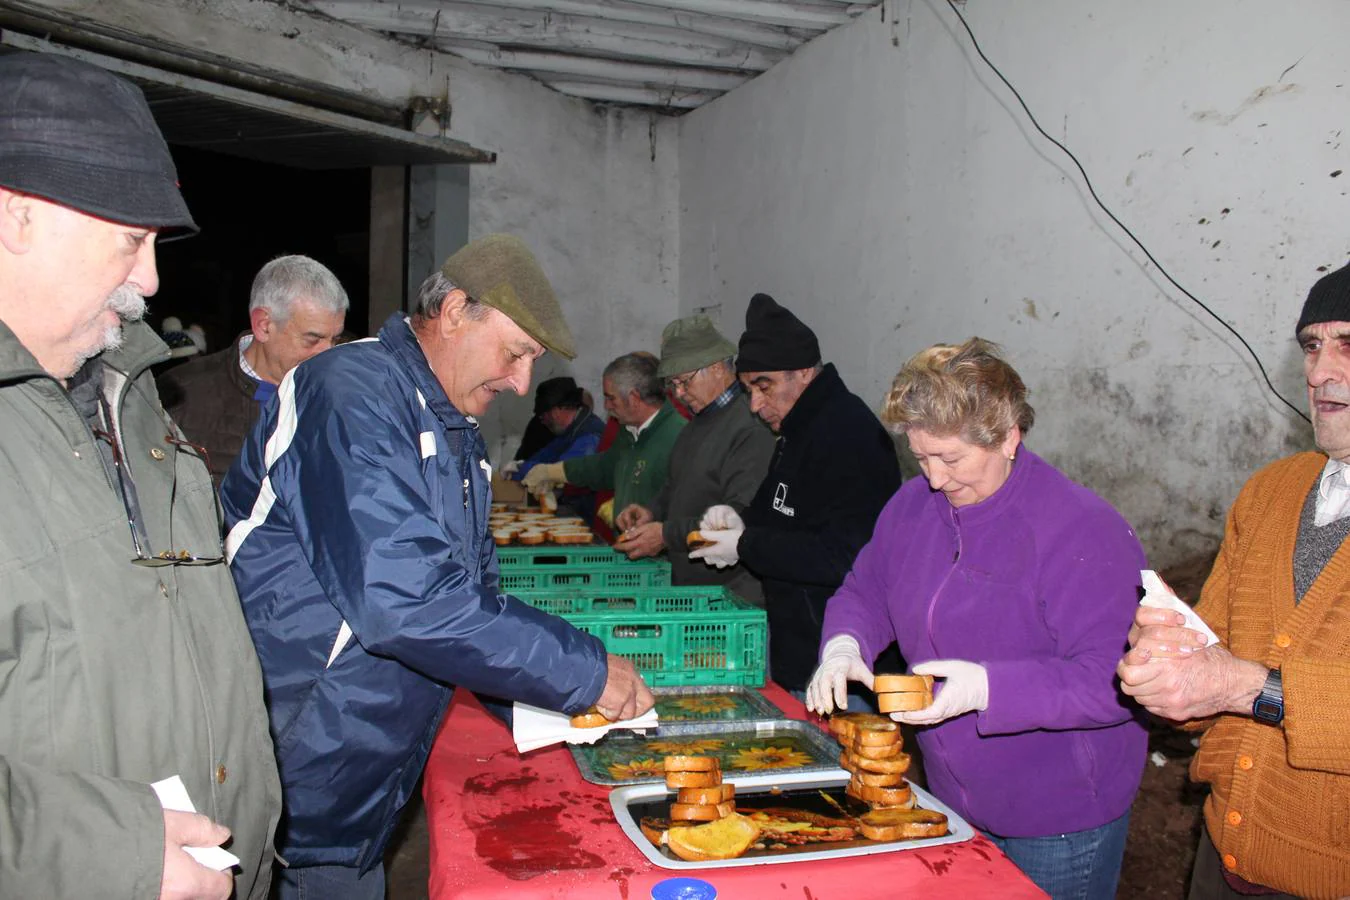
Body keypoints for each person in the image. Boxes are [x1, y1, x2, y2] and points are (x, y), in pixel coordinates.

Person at [220, 233, 654, 899]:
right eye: (516, 354)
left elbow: (472, 597)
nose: (520, 383)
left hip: (359, 767)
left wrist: (563, 713)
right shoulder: (350, 394)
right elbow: (406, 603)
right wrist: (582, 671)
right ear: (455, 312)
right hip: (295, 765)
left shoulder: (451, 428)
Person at [0, 54, 280, 900]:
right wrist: (101, 855)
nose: (151, 280)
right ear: (17, 217)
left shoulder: (135, 399)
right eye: (130, 239)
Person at [807, 338, 1147, 900]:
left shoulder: (1080, 530)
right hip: (952, 794)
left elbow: (1118, 678)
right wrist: (845, 644)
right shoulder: (913, 508)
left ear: (1009, 436)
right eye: (922, 457)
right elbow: (866, 591)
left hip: (1059, 816)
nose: (937, 479)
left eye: (952, 458)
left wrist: (990, 687)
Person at [1117, 263, 1350, 900]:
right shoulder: (1271, 491)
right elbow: (1213, 649)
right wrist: (1174, 660)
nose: (1319, 371)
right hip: (1227, 855)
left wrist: (1248, 687)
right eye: (1312, 346)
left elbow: (1239, 681)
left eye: (1347, 344)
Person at [691, 293, 901, 701]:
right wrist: (737, 522)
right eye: (748, 390)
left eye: (763, 386)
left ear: (804, 372)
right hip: (798, 646)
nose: (755, 405)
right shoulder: (796, 429)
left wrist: (747, 544)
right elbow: (777, 511)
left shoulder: (848, 434)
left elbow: (846, 555)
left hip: (843, 664)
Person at [614, 314, 775, 604]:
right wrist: (651, 511)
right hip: (694, 591)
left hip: (730, 597)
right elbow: (675, 486)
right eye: (673, 384)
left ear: (715, 367)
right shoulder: (696, 425)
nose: (678, 393)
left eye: (684, 382)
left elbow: (738, 519)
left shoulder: (749, 429)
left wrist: (666, 535)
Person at [158, 254, 348, 485]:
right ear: (264, 325)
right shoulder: (178, 395)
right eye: (312, 339)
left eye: (335, 339)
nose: (327, 353)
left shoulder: (344, 396)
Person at [522, 351, 685, 518]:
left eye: (610, 398)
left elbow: (688, 508)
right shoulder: (629, 429)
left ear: (634, 398)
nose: (606, 406)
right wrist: (556, 472)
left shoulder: (679, 437)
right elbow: (606, 466)